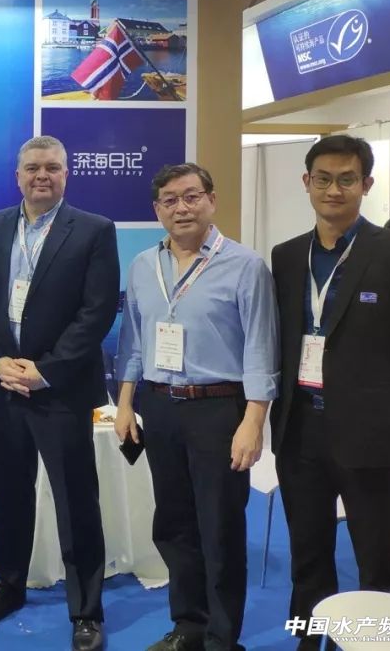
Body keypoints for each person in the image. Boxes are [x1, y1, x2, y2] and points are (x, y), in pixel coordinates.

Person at [270, 135, 390, 651]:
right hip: (300, 430)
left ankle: (379, 643)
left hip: (370, 436)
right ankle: (310, 640)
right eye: (323, 179)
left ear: (366, 184)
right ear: (307, 182)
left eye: (347, 179)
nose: (334, 189)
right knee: (307, 554)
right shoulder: (287, 256)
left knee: (378, 559)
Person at [114, 163, 279, 651]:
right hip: (159, 407)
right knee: (174, 523)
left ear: (212, 200)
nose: (181, 208)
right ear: (156, 209)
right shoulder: (143, 265)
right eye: (170, 200)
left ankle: (222, 637)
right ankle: (188, 623)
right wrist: (124, 403)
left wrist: (253, 422)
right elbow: (133, 342)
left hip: (218, 409)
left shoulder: (245, 265)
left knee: (219, 526)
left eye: (191, 196)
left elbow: (261, 349)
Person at [0, 135, 119, 651]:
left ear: (66, 174)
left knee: (76, 500)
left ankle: (86, 609)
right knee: (9, 493)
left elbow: (97, 312)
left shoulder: (94, 230)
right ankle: (9, 584)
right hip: (6, 386)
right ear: (17, 175)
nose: (42, 176)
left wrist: (46, 370)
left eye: (52, 167)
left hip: (62, 390)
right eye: (32, 167)